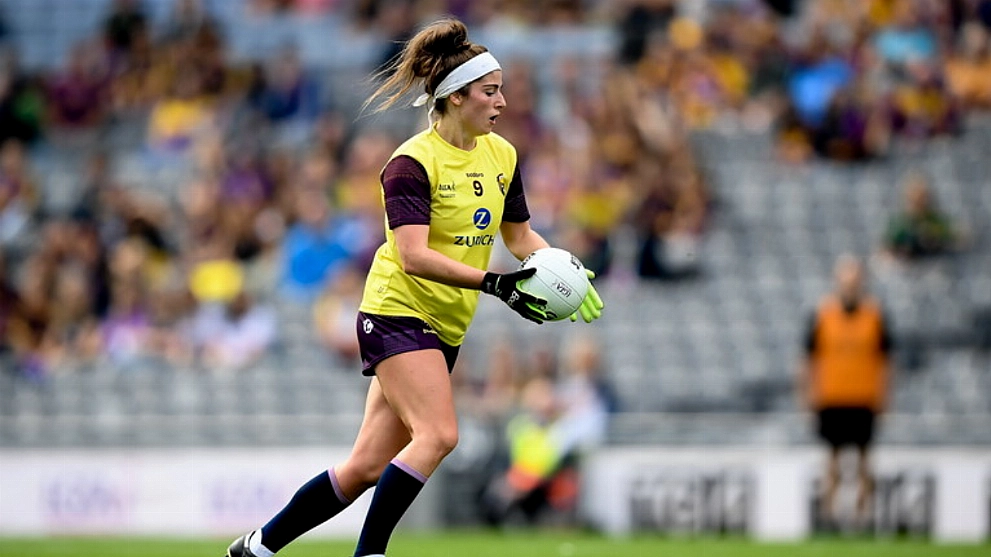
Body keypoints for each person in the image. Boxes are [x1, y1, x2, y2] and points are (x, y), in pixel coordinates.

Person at [225, 18, 603, 557]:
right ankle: (370, 554)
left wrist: (562, 266)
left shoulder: (503, 154)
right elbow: (413, 255)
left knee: (364, 468)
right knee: (440, 435)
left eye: (501, 90)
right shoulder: (410, 163)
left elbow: (518, 236)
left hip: (445, 325)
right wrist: (497, 283)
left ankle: (255, 550)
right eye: (490, 90)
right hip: (397, 312)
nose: (501, 101)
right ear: (454, 96)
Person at [799, 255, 892, 531]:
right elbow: (808, 360)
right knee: (831, 461)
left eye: (854, 282)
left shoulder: (874, 315)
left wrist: (884, 397)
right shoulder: (823, 314)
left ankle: (863, 518)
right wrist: (808, 397)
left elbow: (886, 361)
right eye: (846, 281)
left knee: (864, 461)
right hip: (832, 397)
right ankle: (829, 518)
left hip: (864, 398)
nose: (850, 287)